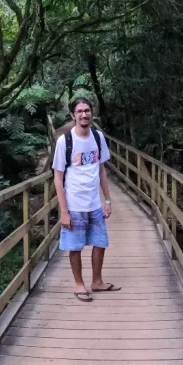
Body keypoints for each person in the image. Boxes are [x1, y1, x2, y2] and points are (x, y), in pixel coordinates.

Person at [52, 97, 121, 302]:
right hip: (74, 204)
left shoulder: (98, 137)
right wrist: (63, 211)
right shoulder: (65, 141)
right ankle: (79, 284)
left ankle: (97, 281)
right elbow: (58, 176)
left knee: (100, 242)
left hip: (94, 204)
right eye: (80, 111)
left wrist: (107, 200)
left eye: (87, 110)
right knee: (75, 246)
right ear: (73, 115)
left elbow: (101, 170)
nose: (84, 114)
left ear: (92, 113)